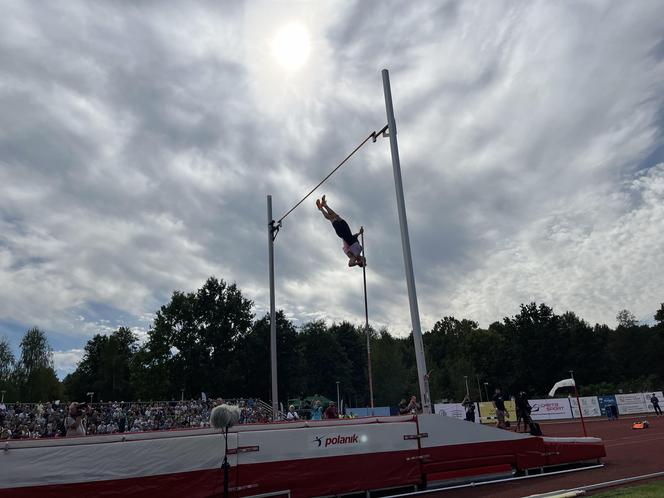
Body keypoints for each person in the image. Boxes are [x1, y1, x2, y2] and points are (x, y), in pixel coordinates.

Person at [316, 195, 366, 267]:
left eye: (364, 260)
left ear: (361, 261)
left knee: (331, 218)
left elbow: (350, 264)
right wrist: (359, 233)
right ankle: (324, 205)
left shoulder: (353, 257)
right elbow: (354, 237)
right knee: (336, 216)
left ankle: (320, 208)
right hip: (347, 230)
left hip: (342, 233)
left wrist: (358, 263)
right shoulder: (359, 250)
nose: (365, 258)